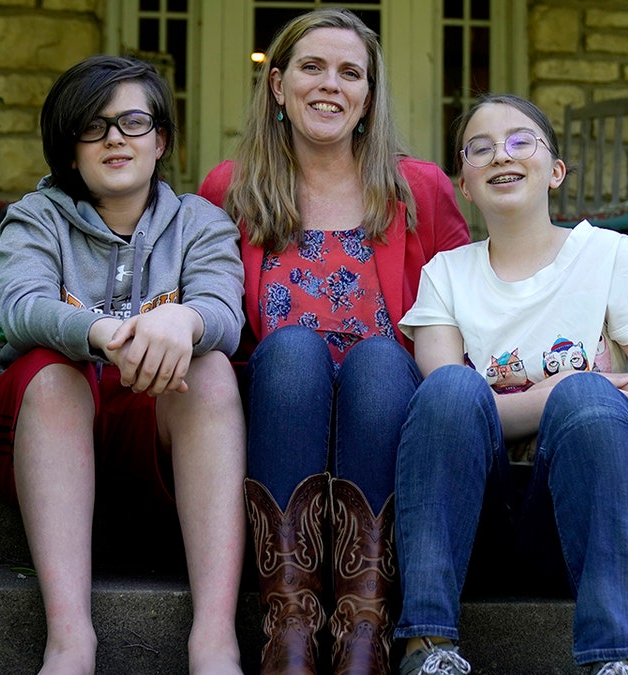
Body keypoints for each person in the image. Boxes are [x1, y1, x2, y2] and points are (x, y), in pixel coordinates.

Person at [198, 9, 470, 674]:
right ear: (278, 85)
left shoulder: (419, 188)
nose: (332, 85)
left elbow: (472, 301)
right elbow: (209, 311)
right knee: (291, 350)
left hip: (385, 419)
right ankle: (288, 631)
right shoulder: (229, 188)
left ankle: (363, 630)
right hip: (278, 414)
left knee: (381, 358)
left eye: (351, 72)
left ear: (369, 96)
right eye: (313, 67)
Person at [392, 94, 628, 675]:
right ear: (464, 180)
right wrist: (567, 392)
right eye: (479, 148)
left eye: (519, 141)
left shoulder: (609, 255)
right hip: (470, 525)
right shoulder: (446, 275)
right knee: (467, 392)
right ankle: (426, 648)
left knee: (588, 397)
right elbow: (447, 402)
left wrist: (583, 398)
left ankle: (617, 660)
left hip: (576, 525)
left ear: (554, 170)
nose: (499, 155)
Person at [0, 55, 247, 675]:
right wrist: (99, 332)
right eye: (93, 127)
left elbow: (226, 313)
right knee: (52, 369)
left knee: (211, 368)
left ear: (161, 140)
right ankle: (70, 644)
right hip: (48, 433)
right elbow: (20, 308)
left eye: (132, 122)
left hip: (153, 437)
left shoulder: (202, 222)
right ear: (70, 151)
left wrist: (186, 320)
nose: (115, 137)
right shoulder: (36, 216)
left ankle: (214, 641)